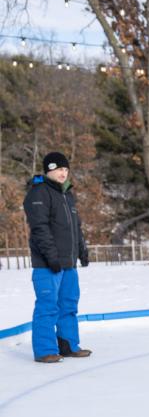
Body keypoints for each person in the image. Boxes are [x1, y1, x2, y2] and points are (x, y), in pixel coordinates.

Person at [24, 152, 91, 363]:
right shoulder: (39, 193)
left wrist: (82, 250)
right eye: (57, 169)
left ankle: (68, 345)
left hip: (68, 264)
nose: (62, 173)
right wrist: (51, 257)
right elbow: (40, 229)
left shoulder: (67, 194)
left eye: (65, 169)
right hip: (47, 265)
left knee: (69, 305)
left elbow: (75, 228)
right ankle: (45, 350)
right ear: (48, 171)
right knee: (48, 306)